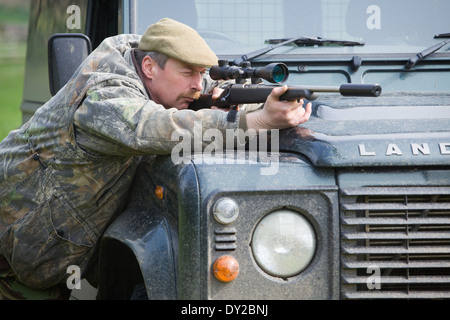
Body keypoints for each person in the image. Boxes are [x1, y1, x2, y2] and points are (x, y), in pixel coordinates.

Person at [0, 18, 311, 299]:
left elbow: (206, 96)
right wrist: (254, 122)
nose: (196, 84)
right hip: (14, 256)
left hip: (49, 253)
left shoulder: (152, 66)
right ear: (149, 67)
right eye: (188, 72)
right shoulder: (103, 94)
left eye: (202, 74)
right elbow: (153, 126)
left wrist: (253, 106)